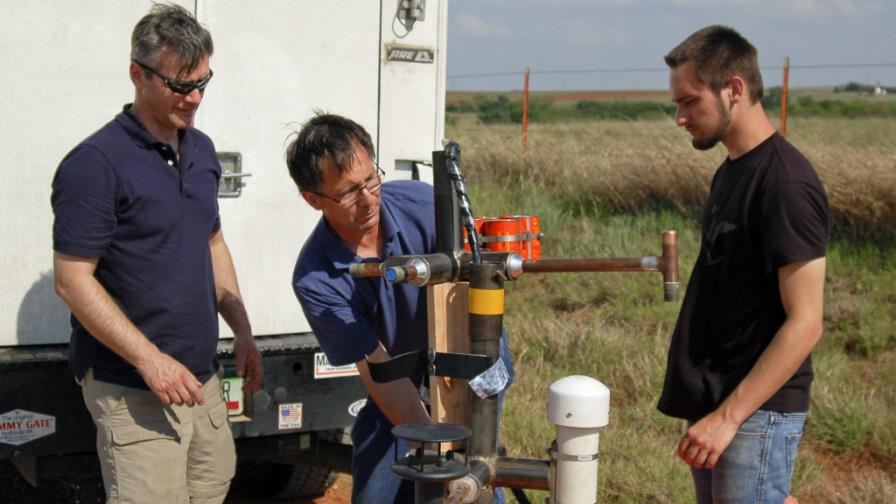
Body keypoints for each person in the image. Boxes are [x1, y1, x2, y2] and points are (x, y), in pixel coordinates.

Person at [51, 5, 263, 503]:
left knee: (212, 489)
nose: (194, 99)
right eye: (179, 86)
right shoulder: (95, 164)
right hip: (134, 388)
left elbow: (212, 243)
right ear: (137, 75)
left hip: (201, 379)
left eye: (202, 83)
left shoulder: (203, 150)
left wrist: (244, 330)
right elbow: (72, 281)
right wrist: (152, 362)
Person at [287, 113, 512, 503]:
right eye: (348, 193)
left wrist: (452, 459)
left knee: (471, 480)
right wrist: (434, 450)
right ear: (312, 199)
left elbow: (475, 288)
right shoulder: (316, 278)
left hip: (470, 365)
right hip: (395, 380)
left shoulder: (424, 206)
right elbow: (377, 367)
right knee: (380, 493)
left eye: (371, 180)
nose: (369, 198)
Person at [657, 26, 830, 503]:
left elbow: (806, 322)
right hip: (718, 404)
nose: (680, 117)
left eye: (691, 101)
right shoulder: (732, 170)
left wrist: (729, 418)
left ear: (734, 89)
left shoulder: (785, 185)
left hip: (755, 413)